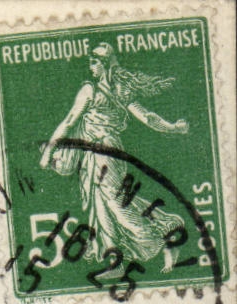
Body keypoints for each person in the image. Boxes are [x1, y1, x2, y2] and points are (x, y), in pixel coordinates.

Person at [38, 42, 190, 267]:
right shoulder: (119, 92)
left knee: (117, 205)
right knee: (103, 205)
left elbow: (70, 121)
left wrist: (48, 151)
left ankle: (160, 238)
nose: (91, 67)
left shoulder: (93, 90)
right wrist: (172, 127)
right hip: (103, 153)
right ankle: (114, 258)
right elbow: (147, 117)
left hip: (104, 153)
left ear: (106, 65)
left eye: (94, 62)